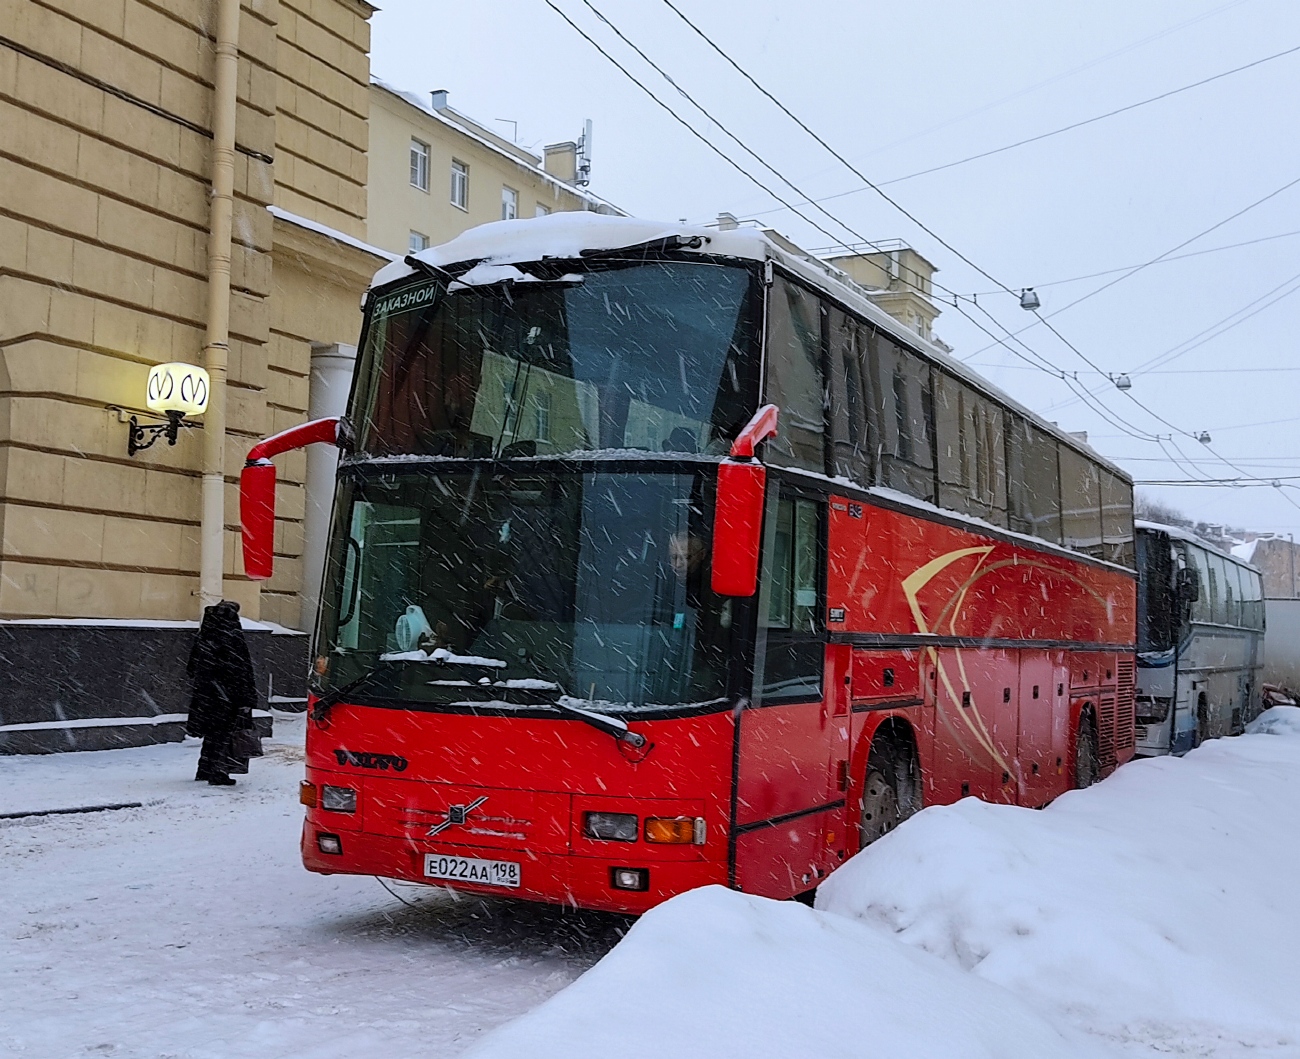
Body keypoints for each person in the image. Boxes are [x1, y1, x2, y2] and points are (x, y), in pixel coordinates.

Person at [186, 600, 261, 786]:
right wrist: (246, 697)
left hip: (206, 695)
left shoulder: (205, 635)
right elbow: (242, 669)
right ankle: (219, 772)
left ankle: (204, 769)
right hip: (227, 696)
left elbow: (191, 668)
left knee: (212, 733)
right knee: (225, 734)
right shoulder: (232, 634)